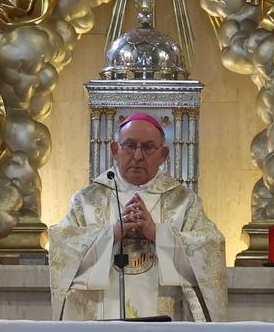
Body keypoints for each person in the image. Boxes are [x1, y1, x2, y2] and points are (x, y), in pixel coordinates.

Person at [48, 114, 226, 321]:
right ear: (115, 150)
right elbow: (62, 246)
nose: (138, 156)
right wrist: (111, 234)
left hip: (166, 320)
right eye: (130, 146)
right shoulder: (87, 200)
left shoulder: (184, 201)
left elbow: (211, 246)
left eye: (148, 147)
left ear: (164, 154)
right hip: (99, 319)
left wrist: (158, 233)